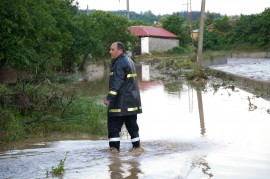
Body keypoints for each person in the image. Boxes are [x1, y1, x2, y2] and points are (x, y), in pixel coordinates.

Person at [103, 42, 142, 153]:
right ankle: (137, 150)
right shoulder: (129, 61)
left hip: (119, 105)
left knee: (113, 129)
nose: (110, 52)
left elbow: (117, 83)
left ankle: (114, 157)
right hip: (131, 104)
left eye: (112, 49)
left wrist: (108, 98)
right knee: (133, 129)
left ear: (120, 50)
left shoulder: (119, 63)